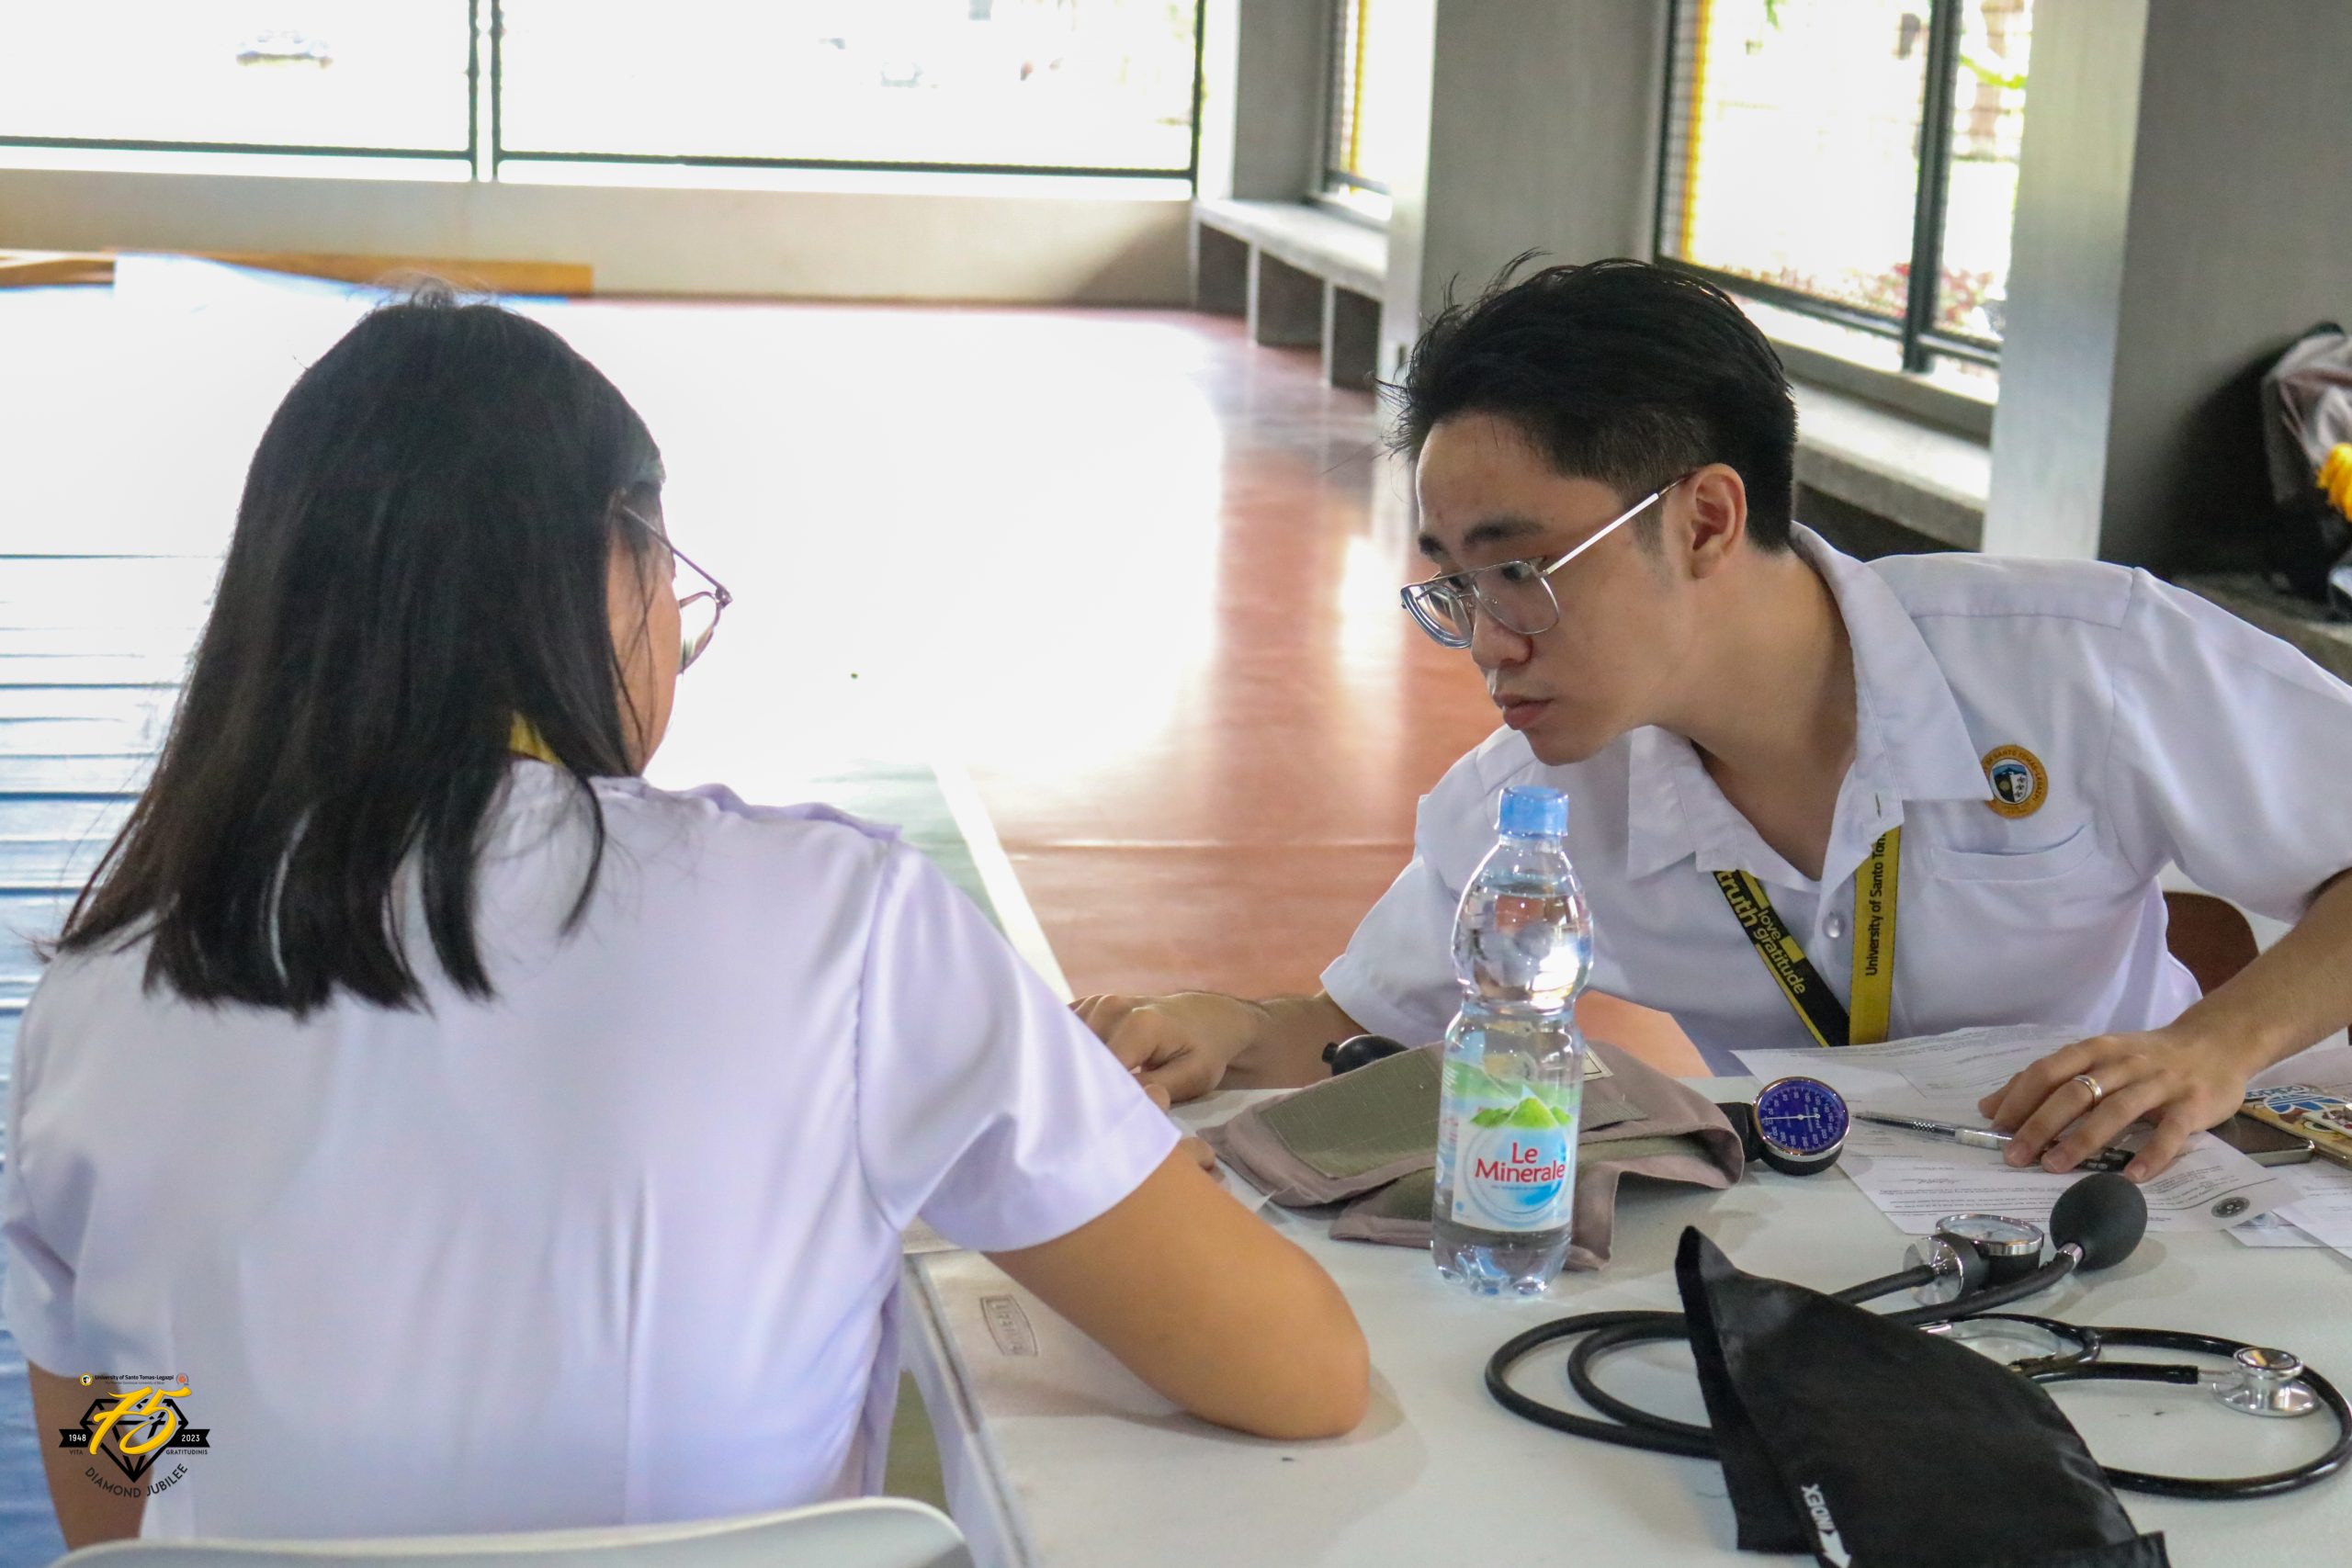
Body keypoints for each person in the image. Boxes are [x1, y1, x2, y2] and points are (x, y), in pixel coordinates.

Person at [2, 295, 1366, 1548]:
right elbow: (1299, 1373)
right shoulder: (841, 929)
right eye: (666, 578)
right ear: (610, 564)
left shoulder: (103, 999)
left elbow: (115, 1491)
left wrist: (291, 1449)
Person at [1080, 257, 2352, 1185]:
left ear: (1702, 520)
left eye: (1519, 569)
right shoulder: (1532, 809)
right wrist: (1225, 1026)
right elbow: (1371, 1022)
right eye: (1455, 587)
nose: (1490, 640)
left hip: (2128, 1194)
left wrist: (2214, 1044)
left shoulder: (2081, 663)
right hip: (1816, 1223)